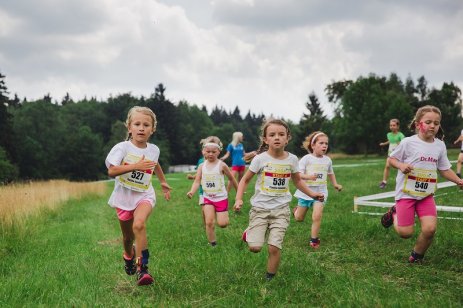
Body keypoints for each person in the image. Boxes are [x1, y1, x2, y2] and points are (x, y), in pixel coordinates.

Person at [233, 119, 324, 280]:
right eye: (272, 135)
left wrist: (312, 194)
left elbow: (297, 181)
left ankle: (270, 278)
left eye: (281, 134)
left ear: (287, 138)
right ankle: (250, 233)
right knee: (255, 248)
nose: (277, 137)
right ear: (265, 139)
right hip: (260, 209)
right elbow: (245, 180)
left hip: (281, 209)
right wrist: (239, 199)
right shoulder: (260, 159)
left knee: (274, 247)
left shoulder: (292, 159)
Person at [380, 105, 463, 263]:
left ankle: (416, 256)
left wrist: (458, 180)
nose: (433, 125)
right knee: (405, 233)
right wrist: (401, 166)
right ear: (418, 124)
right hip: (406, 194)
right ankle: (394, 213)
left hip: (426, 195)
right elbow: (391, 159)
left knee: (430, 229)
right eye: (429, 122)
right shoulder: (408, 142)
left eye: (436, 123)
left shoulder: (439, 145)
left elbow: (444, 169)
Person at [105, 106, 172, 286]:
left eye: (146, 125)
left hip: (144, 195)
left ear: (152, 129)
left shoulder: (153, 150)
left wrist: (163, 182)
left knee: (139, 224)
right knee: (128, 239)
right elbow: (112, 170)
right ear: (129, 127)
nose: (141, 128)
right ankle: (129, 255)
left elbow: (154, 164)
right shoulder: (122, 148)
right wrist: (134, 166)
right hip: (123, 198)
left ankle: (143, 269)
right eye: (137, 124)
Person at [293, 131, 342, 249]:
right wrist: (308, 177)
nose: (324, 145)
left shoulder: (328, 160)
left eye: (326, 143)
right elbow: (298, 175)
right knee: (299, 218)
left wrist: (335, 184)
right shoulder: (306, 159)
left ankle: (314, 240)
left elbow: (331, 173)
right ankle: (296, 211)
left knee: (317, 216)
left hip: (321, 192)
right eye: (321, 143)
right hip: (306, 193)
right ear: (313, 145)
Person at [187, 136, 238, 246]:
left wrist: (239, 192)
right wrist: (192, 191)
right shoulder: (201, 166)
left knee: (223, 224)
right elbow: (197, 181)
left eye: (213, 152)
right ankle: (213, 244)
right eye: (208, 151)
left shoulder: (222, 165)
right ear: (203, 151)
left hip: (221, 198)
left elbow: (232, 179)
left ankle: (223, 217)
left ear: (219, 152)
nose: (210, 154)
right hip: (208, 198)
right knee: (209, 222)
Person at [379, 119, 405, 189]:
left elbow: (404, 143)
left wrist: (399, 144)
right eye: (391, 125)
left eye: (394, 125)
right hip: (390, 154)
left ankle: (402, 182)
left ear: (398, 126)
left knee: (400, 168)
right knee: (387, 166)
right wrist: (383, 144)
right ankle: (384, 182)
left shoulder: (400, 135)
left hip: (398, 155)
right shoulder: (389, 134)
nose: (392, 127)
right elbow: (390, 141)